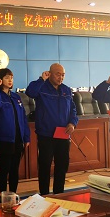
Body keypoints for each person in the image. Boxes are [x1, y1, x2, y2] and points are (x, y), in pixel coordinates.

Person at [26, 63, 78, 195]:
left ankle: (59, 193)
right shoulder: (42, 87)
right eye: (57, 74)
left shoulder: (66, 90)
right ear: (49, 74)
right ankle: (44, 194)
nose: (61, 78)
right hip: (46, 134)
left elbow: (73, 109)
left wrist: (72, 123)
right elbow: (30, 92)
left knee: (62, 165)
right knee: (45, 165)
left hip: (63, 134)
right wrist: (41, 79)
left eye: (63, 75)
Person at [0, 68, 31, 193]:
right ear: (0, 79)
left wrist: (26, 137)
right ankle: (3, 195)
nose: (10, 80)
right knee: (4, 169)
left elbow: (23, 118)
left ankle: (13, 194)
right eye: (7, 77)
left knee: (14, 170)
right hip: (4, 139)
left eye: (11, 78)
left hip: (18, 139)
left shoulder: (16, 97)